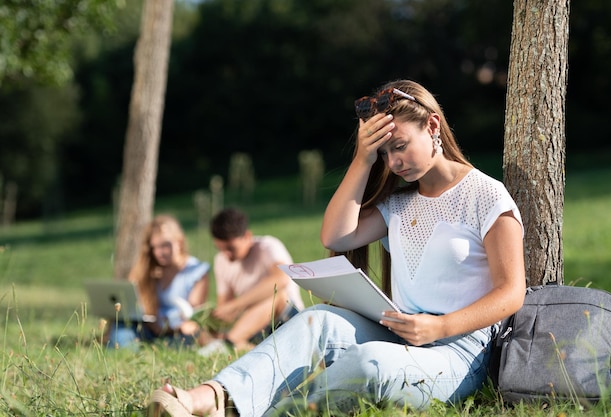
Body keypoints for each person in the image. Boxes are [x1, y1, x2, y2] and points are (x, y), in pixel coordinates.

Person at [146, 79, 526, 416]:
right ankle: (214, 398)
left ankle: (281, 413)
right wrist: (363, 158)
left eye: (400, 147)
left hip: (458, 353)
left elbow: (511, 293)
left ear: (432, 125)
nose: (393, 162)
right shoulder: (399, 204)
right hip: (400, 335)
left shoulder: (485, 194)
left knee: (369, 362)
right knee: (316, 320)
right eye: (384, 154)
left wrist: (439, 326)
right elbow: (336, 236)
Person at [197, 207, 304, 356]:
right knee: (206, 334)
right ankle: (243, 346)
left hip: (287, 319)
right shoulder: (221, 261)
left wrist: (236, 305)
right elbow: (226, 308)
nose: (226, 255)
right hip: (256, 327)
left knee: (276, 295)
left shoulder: (268, 246)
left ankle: (230, 343)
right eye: (220, 249)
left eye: (231, 248)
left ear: (247, 236)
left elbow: (281, 279)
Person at [108, 214, 210, 349]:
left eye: (164, 246)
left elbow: (194, 312)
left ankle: (147, 349)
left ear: (179, 242)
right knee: (120, 327)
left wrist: (174, 327)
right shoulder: (150, 269)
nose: (159, 253)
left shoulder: (196, 271)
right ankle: (128, 352)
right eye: (154, 248)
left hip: (178, 331)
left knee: (186, 338)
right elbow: (135, 301)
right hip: (151, 327)